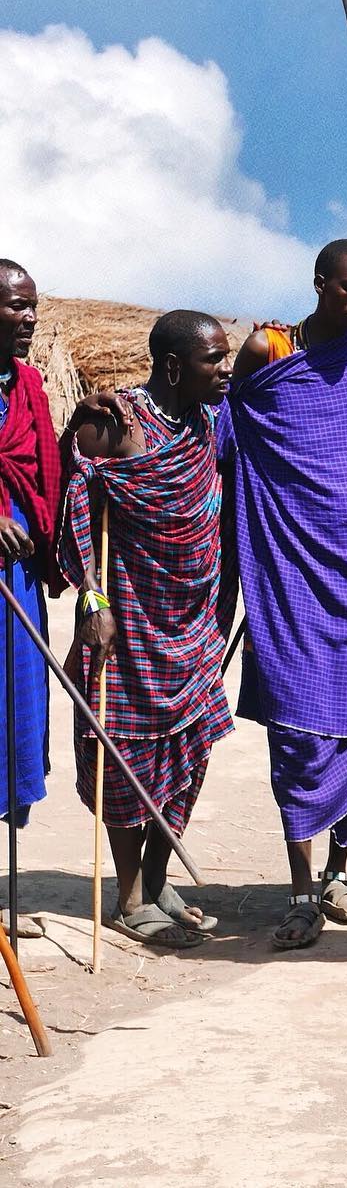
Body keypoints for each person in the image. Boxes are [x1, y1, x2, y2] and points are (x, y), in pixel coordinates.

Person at [225, 240, 347, 950]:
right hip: (287, 563)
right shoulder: (267, 348)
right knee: (299, 731)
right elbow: (229, 426)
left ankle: (336, 874)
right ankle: (299, 894)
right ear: (320, 284)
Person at [60, 311, 233, 948]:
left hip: (192, 622)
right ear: (172, 366)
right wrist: (92, 599)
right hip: (127, 625)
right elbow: (74, 505)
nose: (223, 369)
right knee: (125, 755)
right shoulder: (115, 421)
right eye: (212, 359)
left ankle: (159, 877)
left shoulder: (208, 423)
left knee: (190, 752)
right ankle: (130, 895)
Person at [0, 261, 61, 937]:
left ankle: (5, 898)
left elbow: (46, 468)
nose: (27, 318)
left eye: (32, 307)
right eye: (15, 307)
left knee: (14, 720)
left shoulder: (31, 386)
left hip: (14, 580)